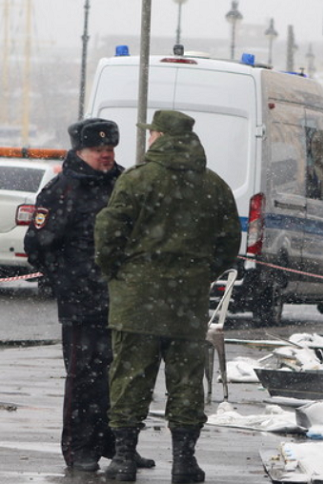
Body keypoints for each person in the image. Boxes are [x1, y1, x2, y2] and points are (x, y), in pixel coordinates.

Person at [95, 110, 240, 483]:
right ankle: (184, 461)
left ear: (158, 136)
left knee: (129, 378)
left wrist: (115, 273)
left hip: (136, 300)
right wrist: (200, 275)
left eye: (150, 134)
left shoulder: (137, 180)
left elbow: (109, 232)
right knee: (187, 382)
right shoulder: (214, 185)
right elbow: (228, 245)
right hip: (187, 302)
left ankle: (124, 457)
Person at [23, 118, 154, 473]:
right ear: (80, 151)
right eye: (98, 150)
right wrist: (66, 278)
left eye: (110, 149)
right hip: (81, 302)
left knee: (122, 376)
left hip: (123, 299)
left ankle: (119, 445)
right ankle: (81, 449)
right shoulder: (61, 190)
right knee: (84, 379)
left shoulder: (125, 183)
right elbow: (38, 244)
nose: (106, 155)